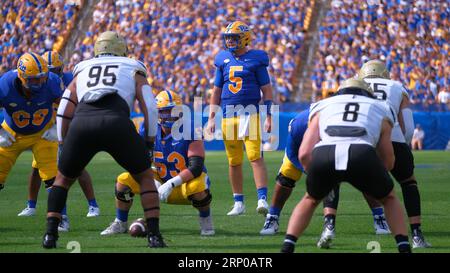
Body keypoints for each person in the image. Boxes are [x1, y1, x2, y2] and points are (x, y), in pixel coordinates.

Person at [42, 31, 165, 249]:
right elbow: (150, 106)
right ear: (122, 48)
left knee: (62, 180)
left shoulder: (82, 68)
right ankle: (154, 236)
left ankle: (50, 235)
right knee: (145, 177)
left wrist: (63, 142)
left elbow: (63, 109)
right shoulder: (132, 66)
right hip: (116, 123)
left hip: (82, 123)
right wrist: (148, 141)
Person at [281, 79, 412, 253]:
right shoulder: (381, 107)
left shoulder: (322, 105)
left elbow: (304, 152)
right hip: (362, 153)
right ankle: (403, 247)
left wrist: (315, 174)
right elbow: (388, 158)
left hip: (324, 154)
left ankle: (287, 246)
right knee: (389, 199)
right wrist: (377, 176)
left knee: (310, 199)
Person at [260, 91, 390, 240]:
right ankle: (272, 217)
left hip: (340, 147)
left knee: (364, 174)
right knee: (286, 177)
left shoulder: (345, 121)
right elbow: (294, 152)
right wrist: (310, 170)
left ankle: (379, 217)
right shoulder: (299, 124)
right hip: (304, 150)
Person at [101, 90, 214, 236]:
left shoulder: (191, 128)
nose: (173, 115)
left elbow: (196, 167)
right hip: (158, 180)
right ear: (158, 113)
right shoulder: (148, 128)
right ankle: (120, 222)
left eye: (176, 110)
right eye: (167, 111)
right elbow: (140, 159)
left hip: (184, 183)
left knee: (197, 186)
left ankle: (206, 221)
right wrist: (151, 180)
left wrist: (171, 183)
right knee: (123, 181)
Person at [18, 51, 100, 223]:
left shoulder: (72, 78)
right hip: (48, 128)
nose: (54, 74)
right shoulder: (39, 82)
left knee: (75, 166)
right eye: (51, 71)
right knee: (36, 168)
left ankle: (93, 205)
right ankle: (31, 205)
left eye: (56, 70)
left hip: (67, 126)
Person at [359, 60, 431, 248]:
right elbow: (408, 129)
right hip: (394, 137)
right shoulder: (397, 87)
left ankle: (331, 223)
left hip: (364, 140)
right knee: (408, 183)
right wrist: (403, 148)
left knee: (356, 179)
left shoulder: (356, 85)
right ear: (385, 74)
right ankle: (416, 234)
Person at [207, 21, 273, 216]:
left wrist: (269, 116)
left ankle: (262, 199)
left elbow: (267, 91)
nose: (230, 41)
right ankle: (238, 202)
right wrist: (211, 118)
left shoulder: (257, 59)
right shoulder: (222, 59)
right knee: (233, 161)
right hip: (228, 116)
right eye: (228, 37)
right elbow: (216, 91)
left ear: (245, 38)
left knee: (255, 157)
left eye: (234, 37)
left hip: (250, 114)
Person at [0, 52, 62, 203]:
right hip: (11, 132)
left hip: (43, 132)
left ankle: (60, 219)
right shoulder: (5, 85)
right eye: (34, 79)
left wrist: (58, 128)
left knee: (53, 180)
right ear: (21, 77)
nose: (40, 82)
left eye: (43, 77)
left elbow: (69, 107)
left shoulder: (52, 82)